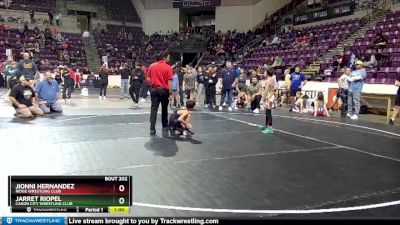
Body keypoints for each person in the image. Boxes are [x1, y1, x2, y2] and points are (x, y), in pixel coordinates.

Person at [148, 51, 173, 135]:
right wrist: (170, 93)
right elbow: (169, 82)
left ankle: (152, 128)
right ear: (164, 57)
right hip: (164, 90)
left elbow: (148, 79)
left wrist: (151, 86)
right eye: (168, 57)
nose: (169, 59)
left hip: (154, 89)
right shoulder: (169, 67)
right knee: (164, 108)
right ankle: (165, 124)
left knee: (154, 109)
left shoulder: (152, 65)